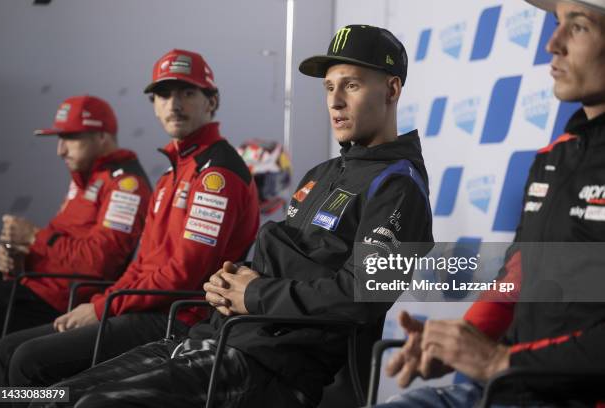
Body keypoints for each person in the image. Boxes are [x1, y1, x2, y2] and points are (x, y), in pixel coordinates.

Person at [37, 25, 434, 408]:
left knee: (92, 403)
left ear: (392, 89)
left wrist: (254, 293)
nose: (335, 102)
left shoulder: (400, 186)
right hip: (215, 336)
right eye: (329, 87)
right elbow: (276, 263)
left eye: (351, 84)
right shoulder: (322, 174)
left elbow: (361, 296)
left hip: (271, 368)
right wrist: (228, 283)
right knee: (50, 396)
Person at [378, 0, 605, 406]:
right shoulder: (555, 156)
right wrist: (463, 347)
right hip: (507, 388)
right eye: (557, 23)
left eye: (580, 26)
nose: (552, 43)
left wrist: (500, 361)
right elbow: (517, 276)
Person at [0, 49, 260, 390]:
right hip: (142, 309)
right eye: (164, 94)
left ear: (212, 101)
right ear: (153, 105)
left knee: (26, 361)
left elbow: (184, 274)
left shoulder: (217, 173)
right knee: (6, 352)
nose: (174, 104)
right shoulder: (173, 171)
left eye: (187, 92)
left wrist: (103, 306)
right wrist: (100, 305)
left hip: (177, 319)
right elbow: (143, 263)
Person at [0, 95, 151, 338]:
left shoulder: (126, 185)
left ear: (102, 136)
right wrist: (16, 256)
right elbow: (61, 245)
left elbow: (98, 264)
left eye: (70, 137)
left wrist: (35, 236)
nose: (60, 150)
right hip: (29, 286)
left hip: (56, 305)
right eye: (59, 137)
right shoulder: (84, 177)